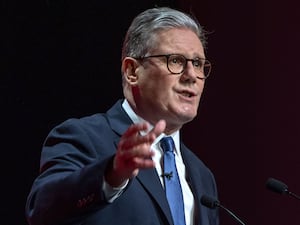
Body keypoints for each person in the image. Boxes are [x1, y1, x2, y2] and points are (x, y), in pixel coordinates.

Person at [25, 6, 219, 225]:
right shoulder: (84, 137)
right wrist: (112, 175)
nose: (192, 75)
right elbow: (41, 210)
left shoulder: (202, 176)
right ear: (132, 71)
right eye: (175, 60)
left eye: (198, 64)